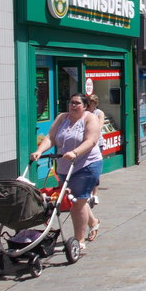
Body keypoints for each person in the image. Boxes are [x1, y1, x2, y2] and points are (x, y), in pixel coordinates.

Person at [30, 93, 101, 249]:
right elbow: (51, 137)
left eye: (77, 103)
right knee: (75, 199)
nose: (73, 106)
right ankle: (93, 222)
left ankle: (79, 240)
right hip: (64, 165)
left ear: (85, 106)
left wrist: (75, 152)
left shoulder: (90, 119)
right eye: (71, 103)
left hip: (86, 164)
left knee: (78, 201)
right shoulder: (62, 118)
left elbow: (91, 140)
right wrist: (40, 151)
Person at [87, 94, 105, 204]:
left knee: (95, 170)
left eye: (92, 103)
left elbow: (99, 127)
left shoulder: (99, 113)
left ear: (95, 104)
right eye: (88, 103)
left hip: (97, 144)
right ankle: (87, 192)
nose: (89, 105)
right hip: (86, 144)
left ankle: (95, 194)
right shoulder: (84, 113)